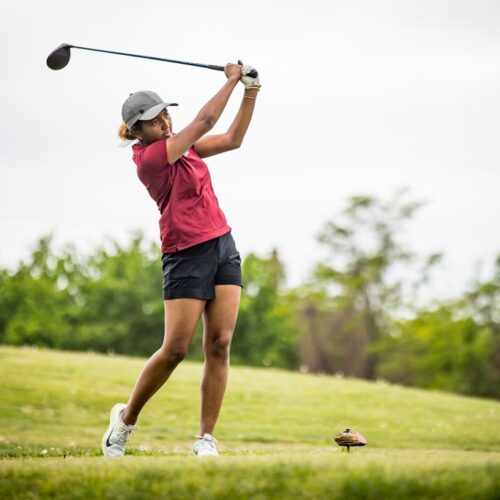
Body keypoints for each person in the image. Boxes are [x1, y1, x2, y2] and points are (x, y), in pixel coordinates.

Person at [101, 62, 260, 458]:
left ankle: (206, 438)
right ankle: (124, 422)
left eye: (166, 114)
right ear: (138, 130)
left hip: (222, 245)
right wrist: (230, 80)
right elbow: (206, 120)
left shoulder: (183, 147)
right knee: (174, 350)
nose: (165, 123)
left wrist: (250, 91)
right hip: (185, 255)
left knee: (220, 344)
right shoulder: (151, 159)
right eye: (155, 121)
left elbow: (233, 138)